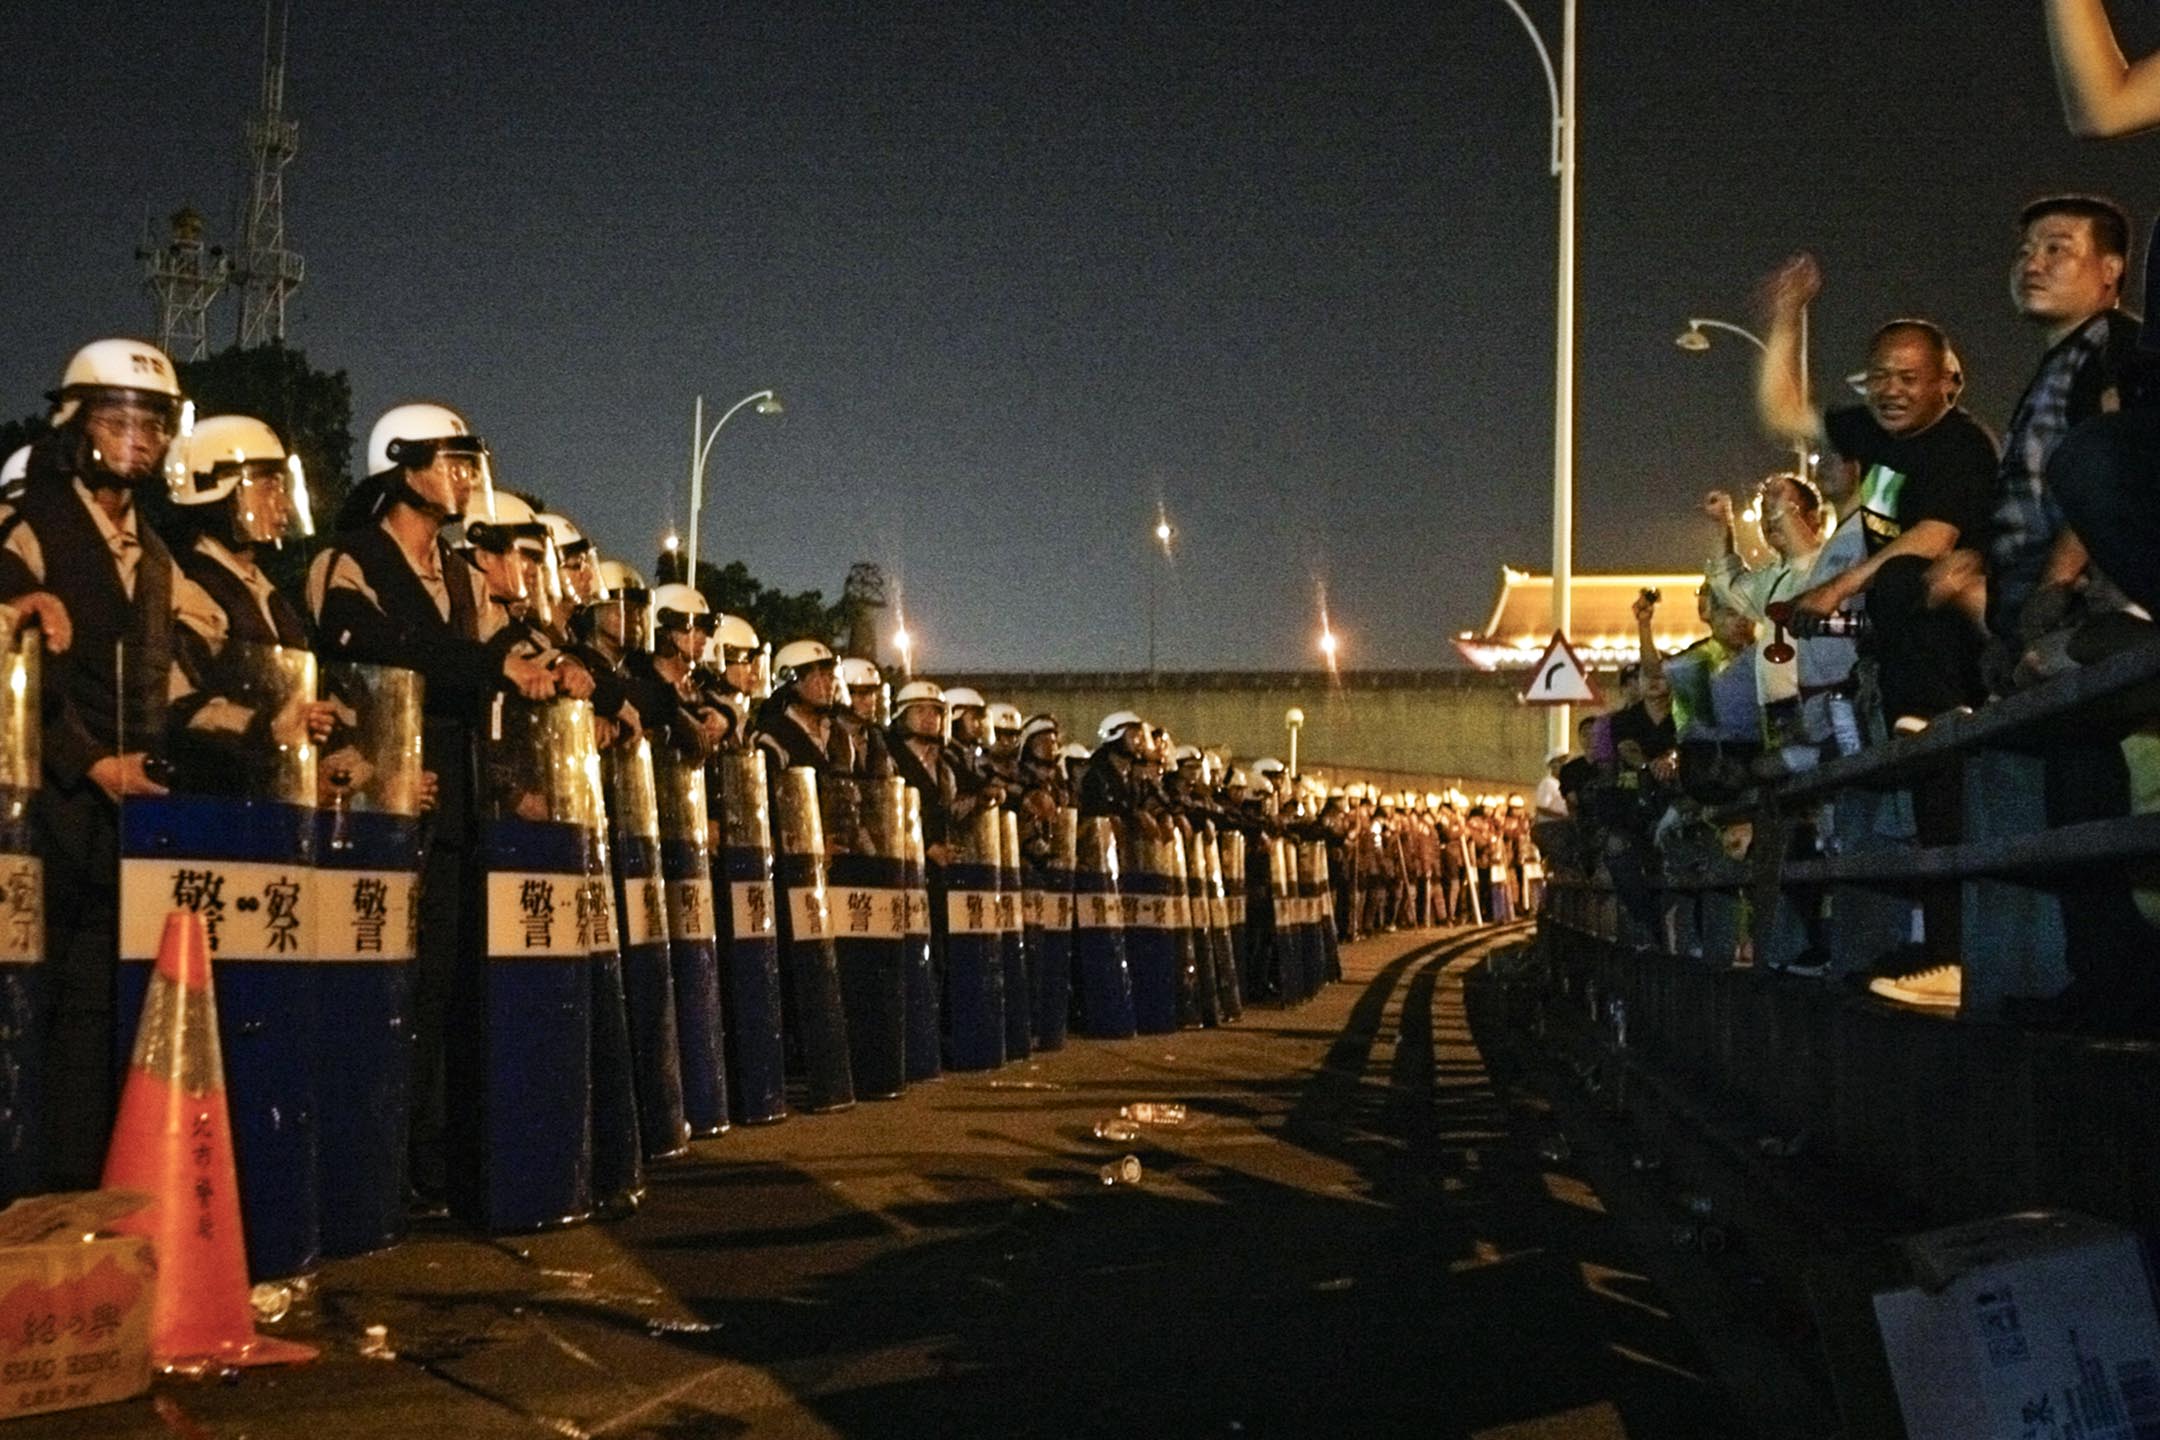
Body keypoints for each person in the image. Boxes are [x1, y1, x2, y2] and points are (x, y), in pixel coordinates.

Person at [310, 401, 555, 1209]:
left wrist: (560, 672)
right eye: (448, 462)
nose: (462, 480)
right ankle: (367, 1163)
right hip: (371, 806)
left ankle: (430, 1161)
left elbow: (510, 650)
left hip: (452, 806)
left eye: (467, 465)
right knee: (383, 989)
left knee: (445, 993)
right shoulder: (349, 559)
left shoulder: (460, 574)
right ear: (400, 465)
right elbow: (365, 643)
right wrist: (489, 668)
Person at [0, 340, 189, 1185]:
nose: (138, 439)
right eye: (118, 419)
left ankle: (97, 1198)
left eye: (153, 423)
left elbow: (182, 673)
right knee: (40, 1008)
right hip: (47, 805)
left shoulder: (154, 549)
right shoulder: (34, 517)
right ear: (74, 426)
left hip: (133, 812)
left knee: (111, 1007)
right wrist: (87, 758)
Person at [1758, 255, 1999, 732]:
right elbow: (1783, 412)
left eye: (1909, 379)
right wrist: (1786, 315)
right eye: (1880, 377)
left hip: (1964, 629)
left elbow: (1931, 539)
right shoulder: (1871, 429)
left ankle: (1933, 719)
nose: (1891, 391)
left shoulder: (1961, 444)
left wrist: (1835, 588)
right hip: (1899, 638)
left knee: (1902, 575)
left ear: (1943, 385)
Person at [1703, 473, 1827, 741]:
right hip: (1778, 709)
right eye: (1766, 514)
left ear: (1815, 518)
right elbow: (1729, 586)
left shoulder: (1828, 563)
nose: (1772, 520)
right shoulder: (1772, 576)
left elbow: (1806, 558)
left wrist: (1779, 506)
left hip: (1819, 700)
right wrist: (1723, 523)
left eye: (1785, 508)